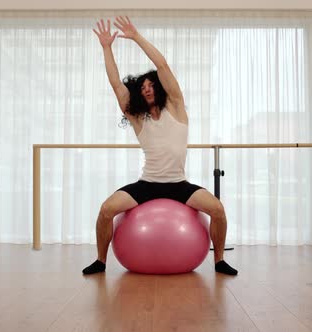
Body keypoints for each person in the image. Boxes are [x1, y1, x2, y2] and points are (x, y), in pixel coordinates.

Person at [83, 16, 237, 275]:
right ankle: (100, 260)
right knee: (106, 209)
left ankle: (219, 260)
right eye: (142, 87)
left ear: (160, 88)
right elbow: (115, 84)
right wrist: (107, 48)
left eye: (151, 84)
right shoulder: (138, 117)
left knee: (218, 210)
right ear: (138, 93)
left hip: (179, 184)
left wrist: (137, 37)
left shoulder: (176, 106)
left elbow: (162, 64)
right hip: (147, 184)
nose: (147, 89)